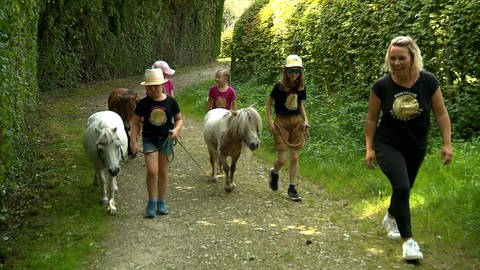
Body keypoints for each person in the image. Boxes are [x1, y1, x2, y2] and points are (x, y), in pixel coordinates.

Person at [364, 36, 452, 260]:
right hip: (388, 143)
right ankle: (409, 243)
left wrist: (447, 143)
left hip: (416, 145)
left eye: (401, 58)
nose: (396, 62)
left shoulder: (428, 81)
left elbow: (441, 113)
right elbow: (372, 119)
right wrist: (369, 148)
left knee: (405, 188)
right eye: (392, 58)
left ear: (413, 58)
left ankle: (391, 216)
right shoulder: (381, 86)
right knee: (402, 187)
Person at [130, 68, 183, 218]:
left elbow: (179, 119)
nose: (152, 89)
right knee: (152, 171)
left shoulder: (171, 102)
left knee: (163, 172)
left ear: (163, 85)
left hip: (166, 141)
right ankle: (151, 201)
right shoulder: (144, 103)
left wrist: (177, 130)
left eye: (155, 86)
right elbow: (134, 123)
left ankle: (161, 201)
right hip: (149, 140)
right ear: (146, 87)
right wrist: (133, 141)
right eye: (149, 87)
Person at [266, 54, 309, 201]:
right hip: (281, 122)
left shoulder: (301, 87)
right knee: (283, 159)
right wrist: (270, 121)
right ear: (286, 72)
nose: (294, 74)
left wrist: (305, 120)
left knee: (295, 157)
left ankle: (292, 188)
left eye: (297, 71)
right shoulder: (279, 87)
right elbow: (269, 104)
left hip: (296, 122)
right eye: (291, 71)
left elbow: (300, 105)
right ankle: (274, 172)